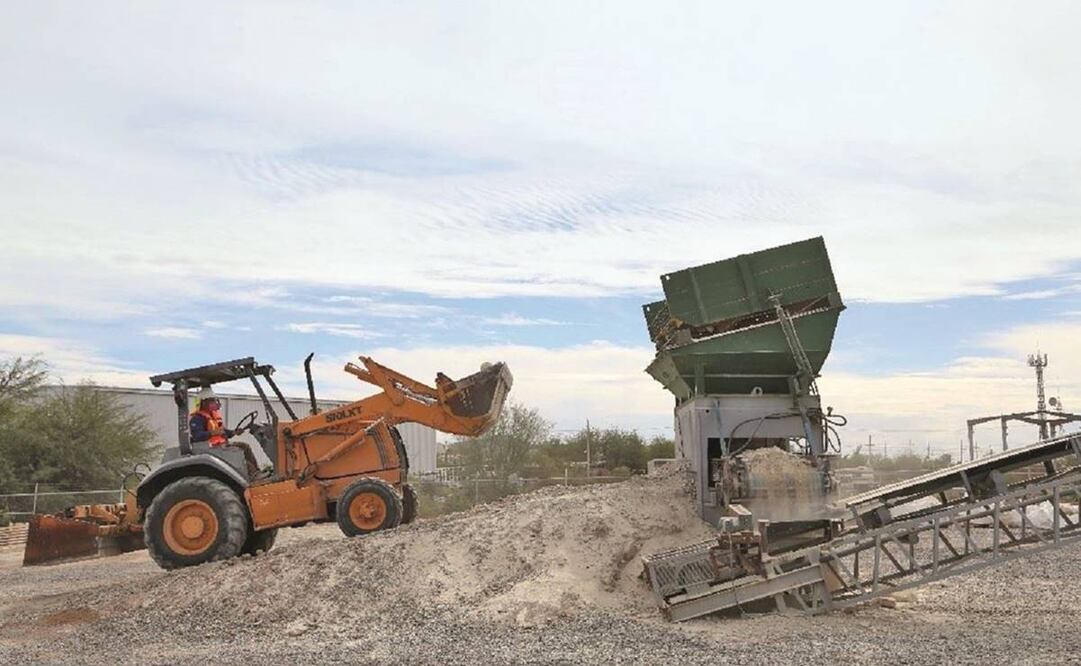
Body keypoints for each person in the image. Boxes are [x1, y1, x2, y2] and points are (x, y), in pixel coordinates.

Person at [190, 388, 263, 479]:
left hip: (221, 446)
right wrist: (212, 433)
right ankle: (253, 474)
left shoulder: (213, 416)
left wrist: (234, 432)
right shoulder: (197, 419)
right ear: (204, 402)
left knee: (245, 446)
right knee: (237, 452)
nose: (215, 402)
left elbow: (224, 431)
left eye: (215, 400)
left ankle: (257, 471)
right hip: (211, 449)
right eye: (212, 400)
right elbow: (197, 436)